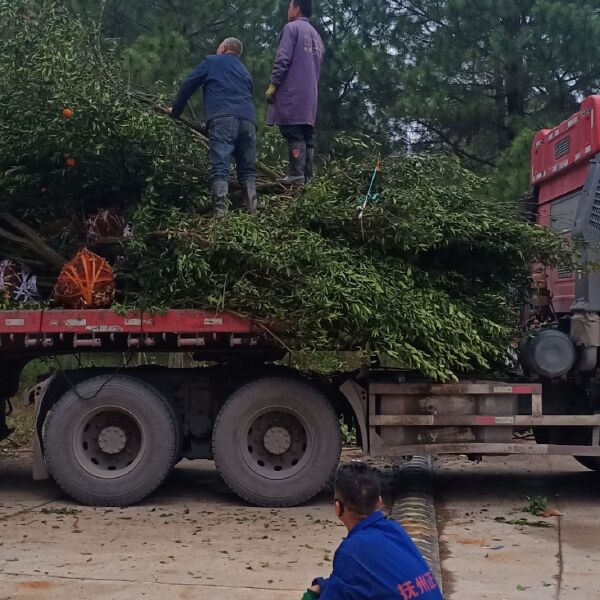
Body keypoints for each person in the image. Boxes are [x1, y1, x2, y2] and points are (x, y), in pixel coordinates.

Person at [303, 463, 443, 600]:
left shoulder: (351, 550)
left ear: (337, 507)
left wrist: (310, 594)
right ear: (379, 503)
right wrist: (324, 585)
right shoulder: (394, 529)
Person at [169, 38, 257, 215]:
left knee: (220, 167)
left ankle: (221, 217)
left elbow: (188, 84)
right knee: (247, 171)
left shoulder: (212, 62)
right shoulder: (245, 71)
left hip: (223, 120)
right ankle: (253, 213)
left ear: (224, 48)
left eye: (219, 46)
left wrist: (176, 111)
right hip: (248, 122)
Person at [266, 0, 324, 185]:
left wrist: (274, 84)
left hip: (293, 91)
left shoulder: (292, 29)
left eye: (290, 7)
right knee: (307, 136)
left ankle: (296, 174)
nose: (288, 10)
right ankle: (307, 177)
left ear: (297, 9)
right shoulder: (316, 36)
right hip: (310, 95)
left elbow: (282, 60)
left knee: (293, 132)